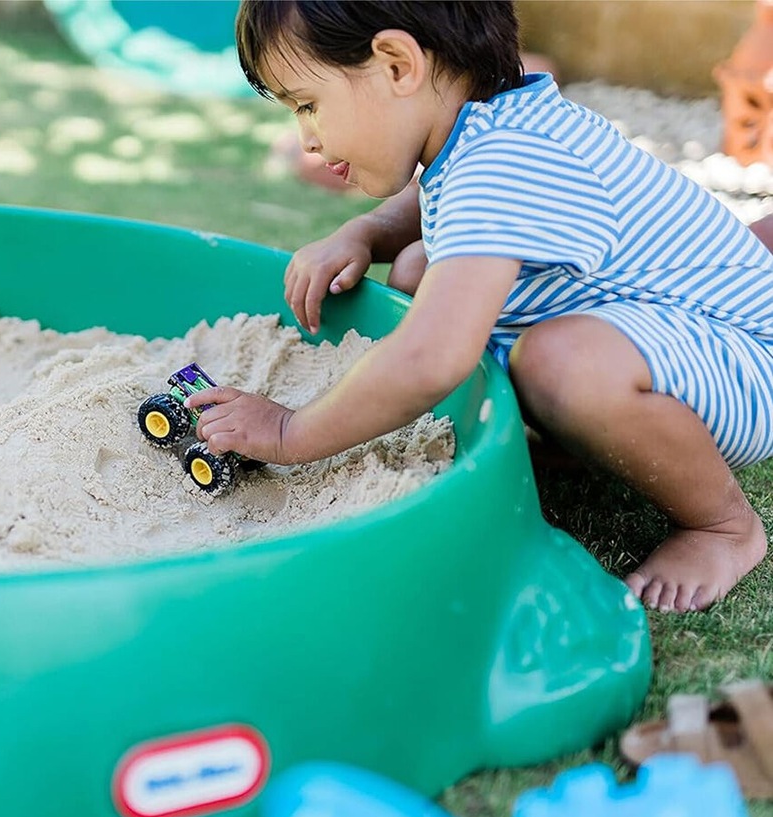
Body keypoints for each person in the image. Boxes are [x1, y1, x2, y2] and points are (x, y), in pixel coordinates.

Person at [185, 0, 773, 614]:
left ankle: (724, 527)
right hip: (672, 341)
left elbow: (431, 358)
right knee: (417, 266)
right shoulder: (492, 126)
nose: (308, 139)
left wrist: (289, 432)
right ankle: (577, 435)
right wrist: (366, 232)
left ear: (395, 63)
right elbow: (434, 197)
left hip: (747, 363)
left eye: (307, 104)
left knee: (562, 361)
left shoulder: (505, 160)